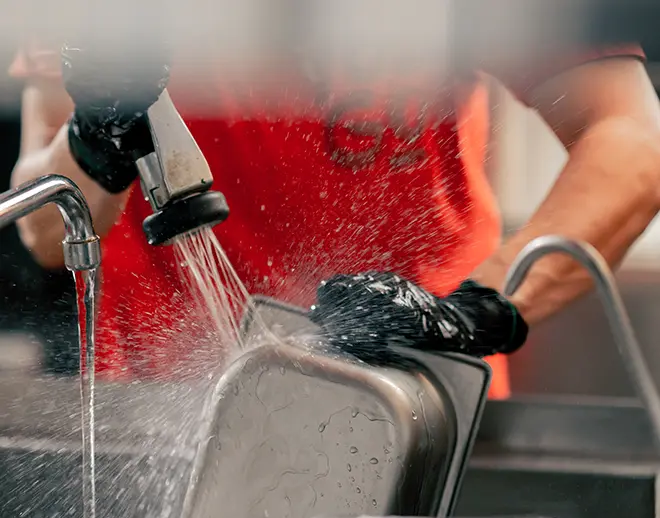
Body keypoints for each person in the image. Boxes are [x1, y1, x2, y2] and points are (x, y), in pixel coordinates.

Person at [8, 35, 660, 398]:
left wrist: (473, 309)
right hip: (159, 413)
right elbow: (46, 229)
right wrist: (96, 134)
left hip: (417, 403)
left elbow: (631, 141)